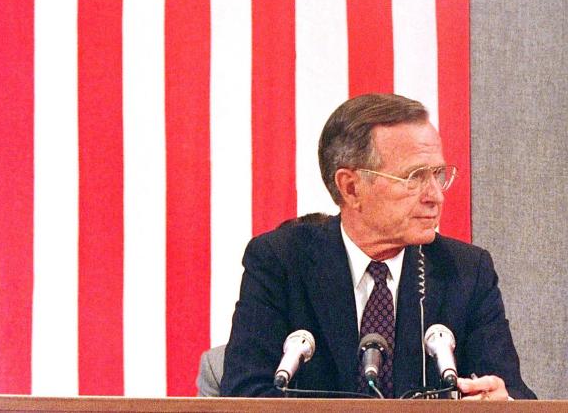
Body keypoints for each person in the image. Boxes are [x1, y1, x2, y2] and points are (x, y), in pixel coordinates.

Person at [220, 94, 534, 399]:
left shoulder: (466, 271)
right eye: (414, 177)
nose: (435, 196)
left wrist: (501, 402)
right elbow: (245, 394)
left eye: (437, 175)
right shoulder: (282, 261)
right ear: (351, 187)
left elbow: (513, 392)